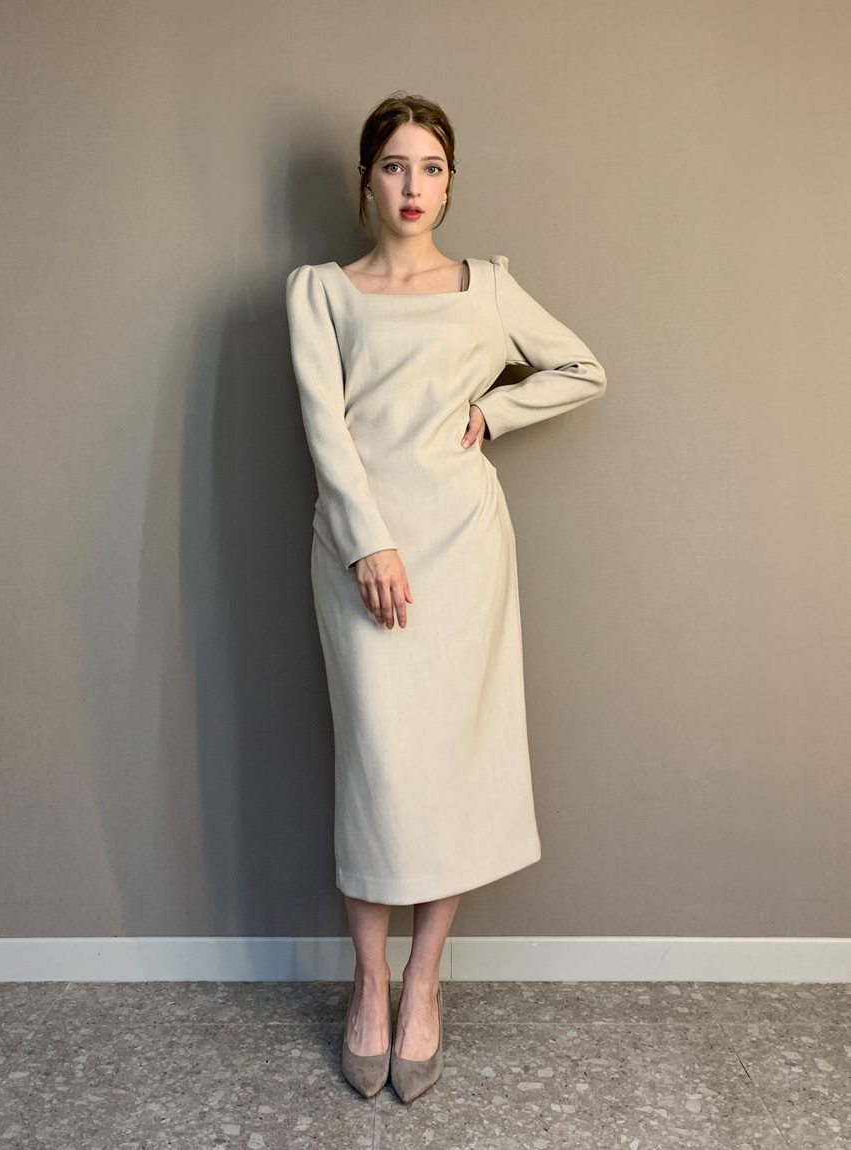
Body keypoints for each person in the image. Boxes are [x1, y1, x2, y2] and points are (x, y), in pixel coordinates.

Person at [285, 92, 607, 1104]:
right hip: (361, 552)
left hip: (466, 547)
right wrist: (368, 541)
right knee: (378, 766)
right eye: (394, 165)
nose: (413, 185)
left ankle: (423, 984)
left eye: (430, 167)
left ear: (451, 182)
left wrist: (495, 411)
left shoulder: (487, 288)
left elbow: (583, 368)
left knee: (455, 765)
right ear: (366, 180)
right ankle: (368, 983)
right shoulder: (320, 292)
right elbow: (325, 428)